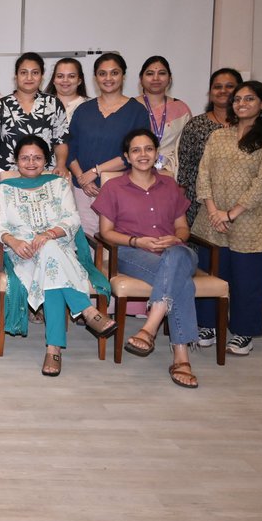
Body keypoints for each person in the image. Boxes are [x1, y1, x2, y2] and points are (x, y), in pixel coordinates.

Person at [0, 135, 113, 377]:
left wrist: (47, 234)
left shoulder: (59, 184)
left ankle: (53, 348)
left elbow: (72, 219)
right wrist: (13, 241)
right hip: (22, 253)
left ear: (46, 160)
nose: (31, 162)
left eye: (37, 157)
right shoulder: (4, 190)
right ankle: (85, 312)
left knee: (50, 255)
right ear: (16, 161)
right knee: (53, 266)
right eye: (25, 158)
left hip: (59, 247)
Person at [93, 128, 201, 388]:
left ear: (156, 153)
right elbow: (105, 232)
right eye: (136, 150)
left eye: (149, 149)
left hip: (174, 250)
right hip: (133, 253)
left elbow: (183, 228)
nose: (143, 155)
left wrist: (176, 238)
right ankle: (181, 356)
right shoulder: (114, 187)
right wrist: (136, 241)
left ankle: (149, 327)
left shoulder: (170, 185)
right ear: (127, 157)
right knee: (182, 282)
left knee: (177, 256)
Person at [190, 81, 262, 356]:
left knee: (248, 278)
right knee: (210, 273)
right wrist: (212, 210)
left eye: (249, 99)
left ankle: (244, 332)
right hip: (211, 219)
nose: (241, 104)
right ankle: (207, 324)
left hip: (250, 221)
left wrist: (231, 214)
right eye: (237, 99)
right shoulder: (219, 136)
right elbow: (203, 173)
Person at [66, 53, 151, 236]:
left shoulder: (137, 111)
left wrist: (96, 171)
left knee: (116, 241)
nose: (108, 78)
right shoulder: (83, 110)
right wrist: (82, 178)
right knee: (85, 240)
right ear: (95, 77)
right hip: (84, 189)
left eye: (114, 73)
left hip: (121, 188)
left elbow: (137, 153)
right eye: (102, 73)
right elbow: (70, 148)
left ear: (123, 76)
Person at [0, 52, 69, 207]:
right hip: (9, 179)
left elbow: (60, 142)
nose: (29, 78)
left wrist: (61, 164)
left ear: (42, 76)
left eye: (35, 73)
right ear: (16, 76)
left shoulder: (53, 104)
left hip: (45, 178)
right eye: (23, 73)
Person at [176, 68, 244, 226]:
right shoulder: (195, 125)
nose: (223, 91)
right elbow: (184, 170)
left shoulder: (249, 125)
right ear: (210, 92)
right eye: (217, 87)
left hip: (240, 201)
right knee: (203, 248)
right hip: (201, 200)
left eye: (229, 86)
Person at [138, 55, 192, 175]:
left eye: (162, 73)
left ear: (169, 78)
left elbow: (186, 149)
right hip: (135, 173)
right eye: (150, 73)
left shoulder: (181, 109)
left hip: (172, 172)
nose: (156, 78)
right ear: (141, 79)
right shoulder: (130, 107)